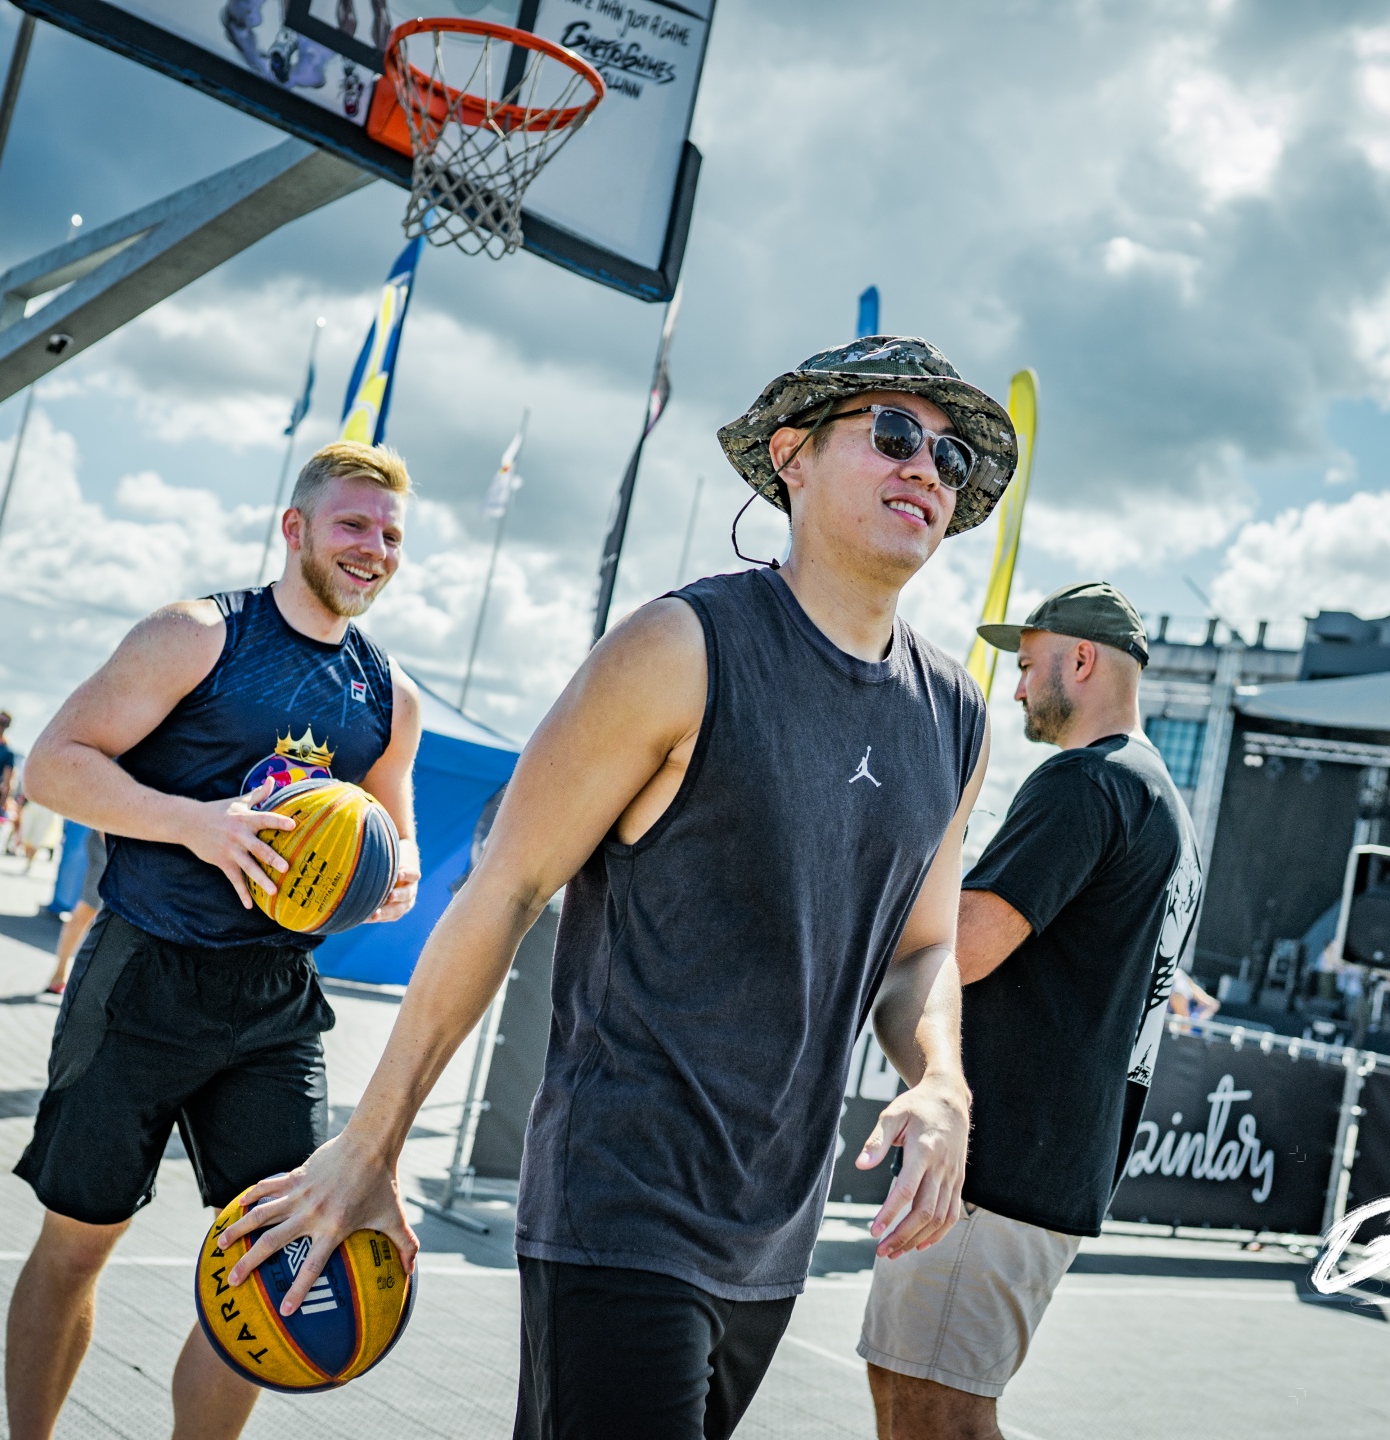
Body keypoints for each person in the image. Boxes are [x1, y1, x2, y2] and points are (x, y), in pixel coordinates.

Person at [216, 337, 1016, 1440]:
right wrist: (374, 1141)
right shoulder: (684, 646)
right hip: (620, 1206)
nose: (927, 465)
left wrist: (942, 1083)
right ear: (793, 455)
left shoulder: (957, 717)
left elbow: (921, 951)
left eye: (952, 455)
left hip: (771, 1236)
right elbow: (504, 891)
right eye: (892, 433)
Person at [3, 441, 425, 1440]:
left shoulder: (388, 696)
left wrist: (392, 879)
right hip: (142, 976)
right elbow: (51, 766)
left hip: (274, 1003)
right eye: (354, 524)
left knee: (277, 1265)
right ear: (296, 528)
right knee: (79, 1244)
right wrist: (196, 823)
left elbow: (395, 841)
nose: (373, 548)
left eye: (391, 534)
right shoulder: (197, 635)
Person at [856, 582, 1200, 1440]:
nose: (1014, 687)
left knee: (936, 1413)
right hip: (1041, 1159)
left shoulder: (1089, 782)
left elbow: (964, 947)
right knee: (908, 1391)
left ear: (1080, 660)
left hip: (1000, 1160)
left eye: (1027, 663)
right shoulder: (1163, 804)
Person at [44, 829, 106, 996]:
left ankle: (63, 976)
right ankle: (59, 975)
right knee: (88, 908)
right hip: (111, 844)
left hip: (133, 851)